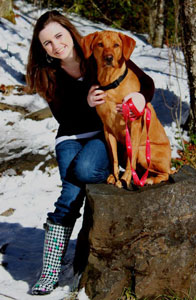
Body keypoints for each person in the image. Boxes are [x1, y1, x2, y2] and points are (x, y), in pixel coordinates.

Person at [26, 10, 154, 295]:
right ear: (42, 49)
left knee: (83, 170)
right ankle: (49, 270)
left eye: (59, 36)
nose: (56, 45)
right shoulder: (47, 74)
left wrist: (137, 99)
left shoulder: (100, 49)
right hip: (69, 137)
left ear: (70, 33)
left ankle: (116, 168)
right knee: (70, 194)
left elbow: (146, 84)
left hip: (102, 135)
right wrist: (86, 101)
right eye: (47, 43)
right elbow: (64, 119)